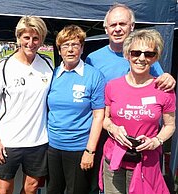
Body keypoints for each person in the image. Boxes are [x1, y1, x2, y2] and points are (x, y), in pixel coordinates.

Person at [85, 4, 176, 193]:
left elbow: (160, 87)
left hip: (145, 149)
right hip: (107, 138)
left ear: (132, 26)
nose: (141, 58)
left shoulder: (150, 61)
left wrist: (169, 78)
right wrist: (108, 132)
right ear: (106, 28)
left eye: (123, 24)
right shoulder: (93, 59)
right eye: (113, 24)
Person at [0, 16, 53, 194]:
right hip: (9, 140)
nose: (31, 43)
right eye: (26, 37)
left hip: (38, 140)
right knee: (4, 189)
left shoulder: (48, 65)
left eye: (36, 38)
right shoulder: (4, 65)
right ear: (18, 38)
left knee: (31, 188)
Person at [46, 25, 105, 194]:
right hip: (53, 147)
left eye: (75, 44)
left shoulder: (94, 76)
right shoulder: (53, 74)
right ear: (59, 50)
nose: (70, 49)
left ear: (82, 48)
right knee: (53, 190)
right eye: (65, 45)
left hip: (79, 148)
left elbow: (98, 116)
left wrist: (90, 151)